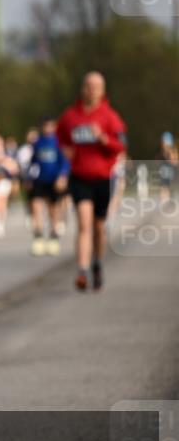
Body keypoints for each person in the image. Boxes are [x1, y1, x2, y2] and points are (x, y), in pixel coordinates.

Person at [56, 71, 126, 292]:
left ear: (103, 90)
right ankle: (82, 270)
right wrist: (64, 150)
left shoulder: (110, 117)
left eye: (96, 85)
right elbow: (59, 138)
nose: (92, 89)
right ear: (82, 88)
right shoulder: (70, 116)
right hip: (79, 178)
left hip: (103, 178)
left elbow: (120, 146)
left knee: (98, 228)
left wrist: (102, 138)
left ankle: (97, 263)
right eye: (88, 85)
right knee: (84, 224)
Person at [24, 118, 69, 256]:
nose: (48, 128)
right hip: (39, 180)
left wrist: (62, 176)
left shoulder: (59, 142)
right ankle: (38, 238)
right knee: (36, 208)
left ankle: (53, 239)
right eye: (46, 126)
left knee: (53, 210)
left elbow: (65, 161)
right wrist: (28, 178)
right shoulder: (37, 143)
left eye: (51, 126)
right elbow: (33, 163)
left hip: (54, 181)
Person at [158, 132, 178, 203]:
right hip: (164, 172)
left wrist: (172, 159)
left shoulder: (172, 151)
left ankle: (167, 201)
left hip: (170, 172)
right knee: (163, 188)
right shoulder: (162, 151)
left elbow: (175, 161)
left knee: (168, 188)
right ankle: (164, 202)